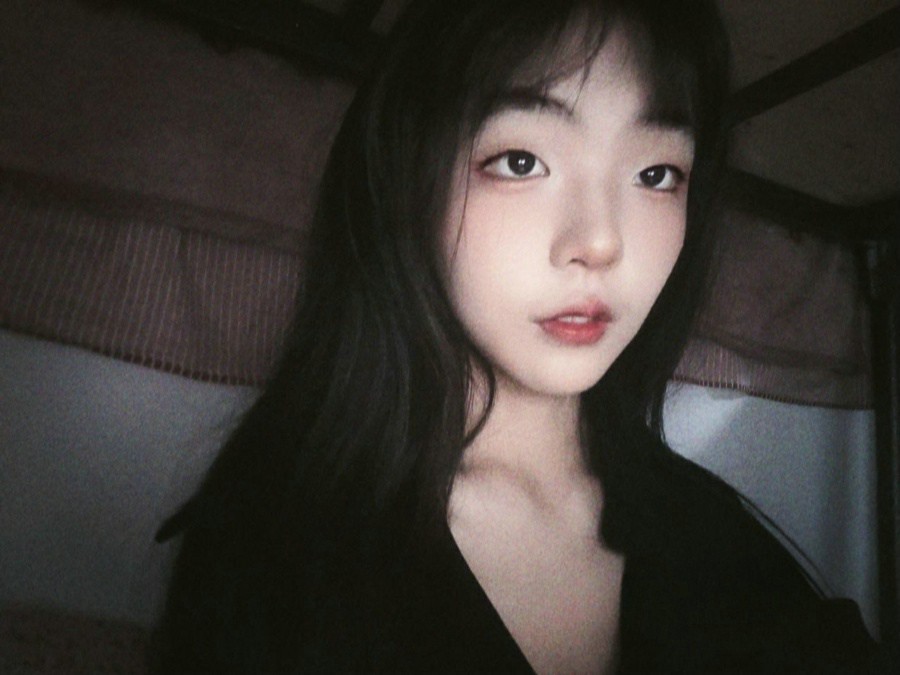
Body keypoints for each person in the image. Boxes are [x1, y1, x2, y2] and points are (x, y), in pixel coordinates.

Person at [152, 0, 880, 672]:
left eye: (657, 173)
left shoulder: (715, 541)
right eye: (522, 162)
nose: (600, 242)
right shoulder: (274, 543)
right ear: (408, 176)